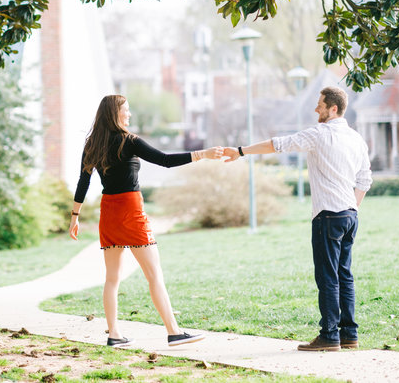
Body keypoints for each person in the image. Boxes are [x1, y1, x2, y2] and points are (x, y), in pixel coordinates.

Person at [223, 86, 372, 352]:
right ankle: (349, 334)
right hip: (350, 215)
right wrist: (352, 207)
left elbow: (277, 145)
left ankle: (329, 335)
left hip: (328, 215)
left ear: (333, 108)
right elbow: (365, 180)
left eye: (320, 104)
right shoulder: (356, 138)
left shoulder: (320, 134)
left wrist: (241, 151)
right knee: (345, 276)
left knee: (328, 278)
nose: (316, 109)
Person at [69, 94, 223, 348]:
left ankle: (114, 334)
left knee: (112, 278)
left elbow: (83, 183)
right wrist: (203, 154)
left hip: (108, 213)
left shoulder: (92, 144)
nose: (129, 114)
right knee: (154, 275)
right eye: (125, 110)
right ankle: (174, 331)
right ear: (114, 113)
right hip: (130, 211)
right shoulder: (129, 141)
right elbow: (165, 160)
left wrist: (74, 217)